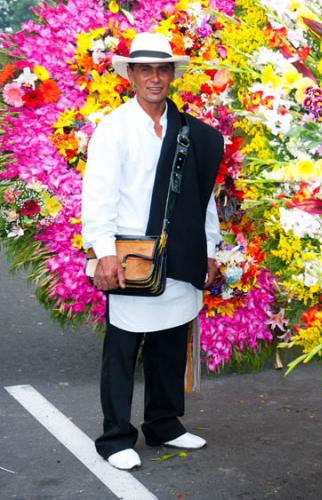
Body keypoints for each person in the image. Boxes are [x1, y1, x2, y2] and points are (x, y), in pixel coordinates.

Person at [81, 32, 224, 471]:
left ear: (172, 75)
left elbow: (204, 196)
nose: (155, 78)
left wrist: (211, 248)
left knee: (170, 338)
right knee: (124, 347)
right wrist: (104, 252)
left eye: (163, 69)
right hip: (131, 251)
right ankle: (115, 437)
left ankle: (164, 424)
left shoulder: (189, 131)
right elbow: (98, 194)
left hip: (180, 247)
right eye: (146, 69)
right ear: (131, 75)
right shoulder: (114, 129)